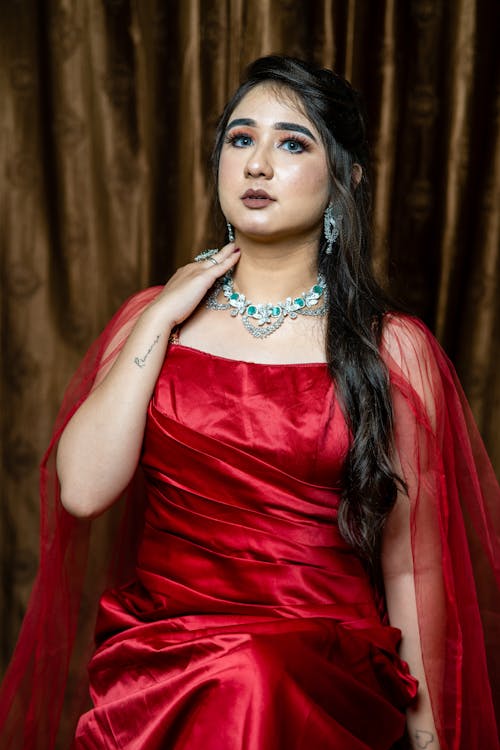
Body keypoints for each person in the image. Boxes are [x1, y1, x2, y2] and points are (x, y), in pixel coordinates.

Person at [0, 55, 499, 750]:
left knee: (251, 673)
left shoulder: (391, 346)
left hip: (323, 660)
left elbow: (412, 567)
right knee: (238, 673)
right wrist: (159, 316)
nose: (257, 164)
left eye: (292, 143)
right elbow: (82, 490)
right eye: (241, 139)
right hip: (163, 652)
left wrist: (427, 738)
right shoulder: (153, 320)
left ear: (344, 180)